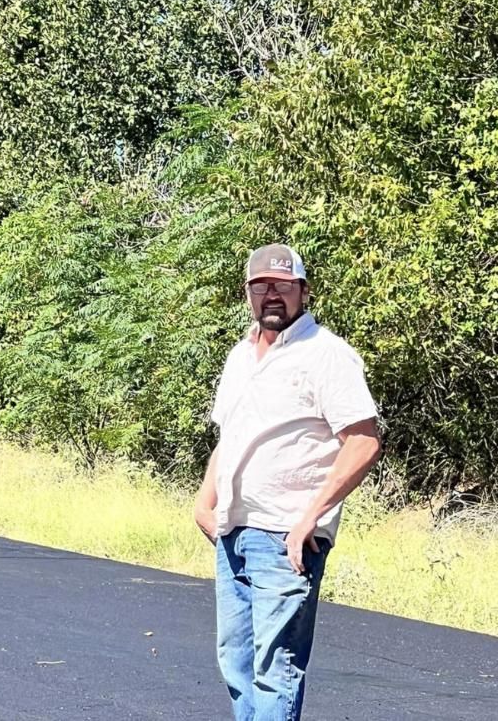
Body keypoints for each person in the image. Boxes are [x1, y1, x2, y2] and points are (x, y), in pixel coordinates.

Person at [194, 243, 381, 721]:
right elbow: (231, 434)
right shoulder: (240, 357)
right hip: (232, 532)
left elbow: (363, 442)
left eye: (283, 285)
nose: (272, 295)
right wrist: (205, 500)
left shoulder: (326, 355)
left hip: (286, 538)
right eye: (262, 286)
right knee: (235, 665)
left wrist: (308, 520)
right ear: (248, 293)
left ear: (304, 290)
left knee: (275, 669)